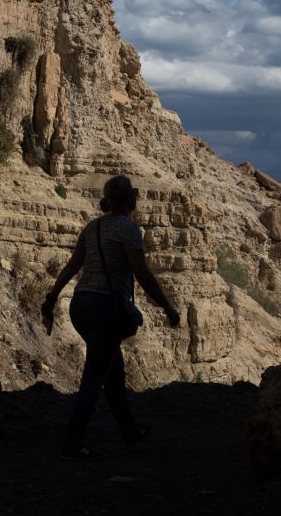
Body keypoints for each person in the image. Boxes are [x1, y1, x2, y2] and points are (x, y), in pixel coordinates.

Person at [41, 175, 181, 459]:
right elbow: (141, 274)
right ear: (130, 201)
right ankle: (72, 441)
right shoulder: (128, 230)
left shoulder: (92, 228)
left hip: (80, 306)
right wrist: (167, 306)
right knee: (94, 377)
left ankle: (131, 431)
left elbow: (72, 265)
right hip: (106, 309)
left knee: (113, 373)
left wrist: (52, 296)